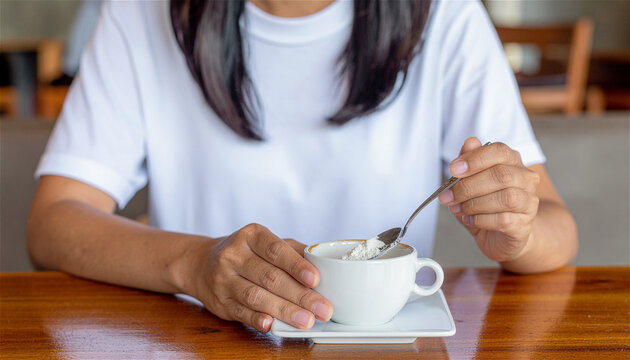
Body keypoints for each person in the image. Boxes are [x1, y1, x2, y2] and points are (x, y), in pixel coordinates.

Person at [27, 0, 577, 333]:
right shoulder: (140, 13)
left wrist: (518, 235)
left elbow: (555, 224)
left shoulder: (444, 15)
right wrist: (195, 264)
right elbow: (53, 224)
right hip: (204, 341)